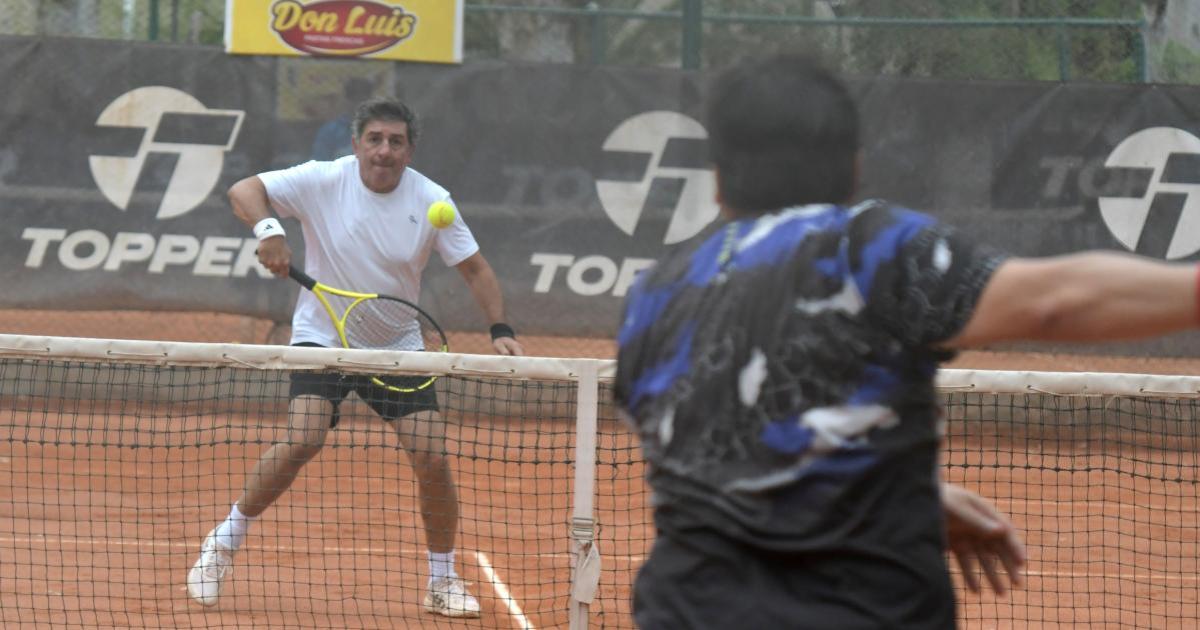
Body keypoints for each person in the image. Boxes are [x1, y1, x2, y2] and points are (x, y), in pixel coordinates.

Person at [614, 51, 1199, 629]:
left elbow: (708, 442)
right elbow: (1052, 302)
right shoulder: (867, 247)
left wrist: (900, 490)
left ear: (717, 181)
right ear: (856, 167)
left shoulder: (651, 296)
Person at [187, 96, 524, 618]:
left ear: (410, 150)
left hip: (397, 346)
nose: (384, 150)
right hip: (323, 335)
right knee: (303, 437)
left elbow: (476, 269)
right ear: (356, 144)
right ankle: (222, 545)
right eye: (375, 139)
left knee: (432, 456)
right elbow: (244, 190)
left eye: (395, 141)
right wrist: (270, 231)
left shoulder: (434, 200)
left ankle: (442, 579)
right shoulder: (323, 180)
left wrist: (500, 328)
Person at [310, 77, 375, 161]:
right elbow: (320, 163)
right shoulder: (330, 131)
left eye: (364, 99)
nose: (360, 104)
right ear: (347, 100)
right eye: (355, 99)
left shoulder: (379, 129)